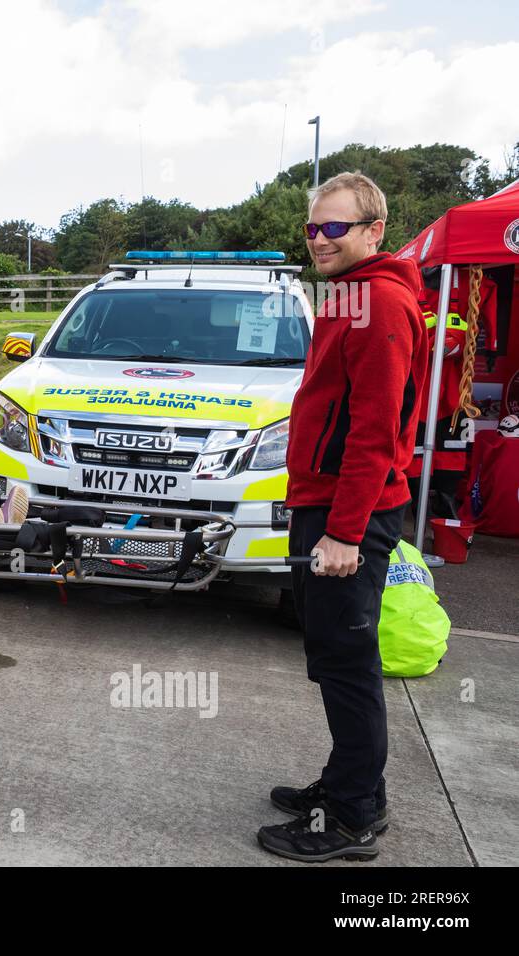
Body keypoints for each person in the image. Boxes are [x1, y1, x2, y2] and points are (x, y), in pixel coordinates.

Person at [257, 173, 428, 862]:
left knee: (349, 661)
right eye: (312, 228)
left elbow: (375, 430)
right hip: (325, 502)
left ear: (373, 231)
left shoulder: (380, 301)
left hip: (349, 511)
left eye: (336, 228)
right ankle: (350, 784)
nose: (320, 240)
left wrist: (346, 531)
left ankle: (355, 817)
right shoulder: (351, 294)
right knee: (333, 657)